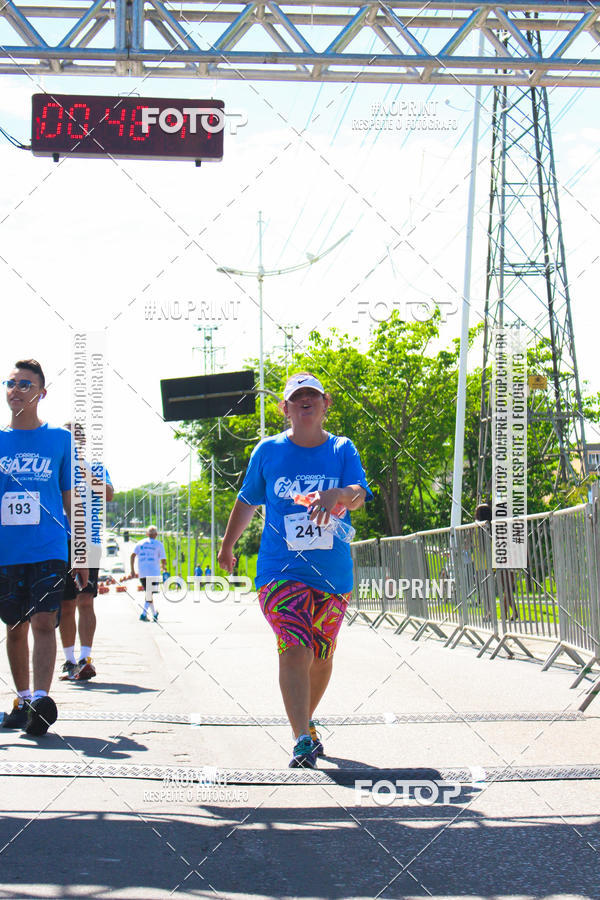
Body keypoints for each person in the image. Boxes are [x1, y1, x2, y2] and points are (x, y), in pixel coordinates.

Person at [218, 372, 371, 768]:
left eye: (312, 397)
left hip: (332, 575)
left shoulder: (342, 449)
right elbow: (248, 500)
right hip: (279, 572)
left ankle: (304, 720)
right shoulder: (267, 452)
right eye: (297, 398)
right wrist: (227, 545)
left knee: (321, 654)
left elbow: (358, 496)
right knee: (295, 645)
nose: (305, 402)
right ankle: (301, 736)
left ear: (326, 404)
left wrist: (338, 493)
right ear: (284, 408)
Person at [0, 360, 88, 735]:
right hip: (7, 551)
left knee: (42, 622)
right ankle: (21, 699)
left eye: (25, 384)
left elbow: (73, 500)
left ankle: (40, 700)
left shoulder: (59, 440)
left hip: (50, 547)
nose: (16, 389)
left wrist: (81, 554)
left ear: (41, 393)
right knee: (15, 627)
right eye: (11, 383)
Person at [59, 423, 114, 681]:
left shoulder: (95, 467)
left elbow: (110, 494)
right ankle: (69, 660)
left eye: (76, 437)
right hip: (59, 542)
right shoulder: (56, 466)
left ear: (82, 441)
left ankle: (86, 658)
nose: (72, 441)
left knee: (86, 600)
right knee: (66, 603)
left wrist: (81, 468)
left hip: (88, 541)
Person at [474, 503, 518, 621]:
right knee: (506, 587)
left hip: (499, 560)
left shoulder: (486, 528)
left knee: (504, 588)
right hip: (500, 559)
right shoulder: (494, 526)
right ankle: (508, 612)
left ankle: (501, 613)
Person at [130, 526, 166, 622]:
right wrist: (163, 567)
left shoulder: (139, 543)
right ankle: (143, 614)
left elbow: (132, 556)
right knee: (149, 593)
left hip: (142, 572)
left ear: (147, 534)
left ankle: (154, 614)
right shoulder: (159, 544)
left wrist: (132, 570)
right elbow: (163, 559)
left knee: (148, 593)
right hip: (154, 572)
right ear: (156, 535)